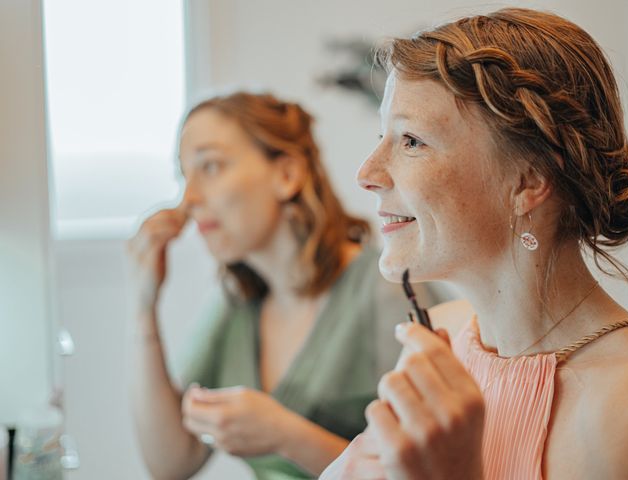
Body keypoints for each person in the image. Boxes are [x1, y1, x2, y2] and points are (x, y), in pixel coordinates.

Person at [321, 7, 628, 480]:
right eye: (382, 135)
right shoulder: (436, 347)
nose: (366, 174)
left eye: (411, 140)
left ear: (527, 182)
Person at [128, 91, 450, 480]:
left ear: (287, 175)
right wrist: (144, 306)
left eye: (209, 167)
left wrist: (285, 436)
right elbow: (170, 463)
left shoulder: (384, 291)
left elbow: (428, 472)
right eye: (184, 175)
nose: (188, 198)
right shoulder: (237, 305)